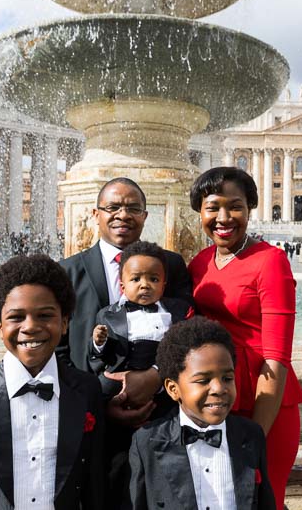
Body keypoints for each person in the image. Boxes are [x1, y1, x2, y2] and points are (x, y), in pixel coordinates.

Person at [58, 177, 193, 506]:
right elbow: (59, 349)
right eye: (113, 207)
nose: (123, 214)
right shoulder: (66, 271)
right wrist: (98, 402)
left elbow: (188, 335)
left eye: (133, 208)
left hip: (160, 412)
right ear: (95, 214)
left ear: (145, 216)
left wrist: (157, 376)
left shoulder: (171, 265)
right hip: (92, 421)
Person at [0, 255, 105, 509]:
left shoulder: (87, 390)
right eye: (16, 317)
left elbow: (95, 485)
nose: (31, 327)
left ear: (65, 322)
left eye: (45, 315)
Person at [187, 167, 302, 508]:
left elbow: (277, 357)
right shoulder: (200, 261)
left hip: (262, 403)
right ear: (200, 212)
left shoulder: (271, 261)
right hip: (213, 399)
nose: (223, 217)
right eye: (213, 207)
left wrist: (256, 435)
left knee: (262, 499)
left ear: (250, 208)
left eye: (234, 206)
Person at [129, 318, 275, 510]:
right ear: (173, 389)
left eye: (227, 378)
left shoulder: (251, 435)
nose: (218, 388)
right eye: (203, 380)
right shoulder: (147, 441)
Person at [89, 240, 193, 403]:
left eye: (153, 279)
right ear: (122, 286)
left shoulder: (176, 312)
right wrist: (98, 342)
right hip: (119, 377)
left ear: (164, 285)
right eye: (136, 279)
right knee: (98, 391)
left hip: (163, 381)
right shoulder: (108, 314)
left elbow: (185, 348)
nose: (145, 285)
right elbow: (99, 357)